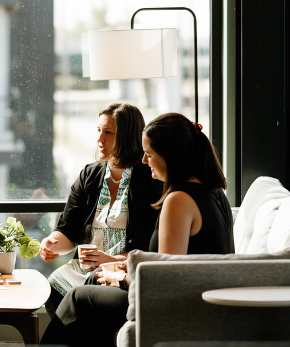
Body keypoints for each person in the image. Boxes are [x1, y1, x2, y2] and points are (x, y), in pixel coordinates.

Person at [40, 112, 233, 347]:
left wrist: (121, 278)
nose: (143, 161)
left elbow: (166, 280)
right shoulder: (215, 193)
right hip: (198, 297)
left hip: (179, 304)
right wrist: (125, 268)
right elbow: (181, 262)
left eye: (149, 154)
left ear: (170, 156)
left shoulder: (178, 200)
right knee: (93, 283)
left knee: (80, 297)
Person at [38, 102, 163, 318]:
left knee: (84, 296)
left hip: (120, 268)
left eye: (108, 132)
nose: (99, 139)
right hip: (86, 267)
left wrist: (109, 259)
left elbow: (149, 247)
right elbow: (68, 230)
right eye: (98, 130)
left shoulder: (150, 179)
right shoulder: (89, 175)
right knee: (53, 286)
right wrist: (51, 244)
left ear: (128, 136)